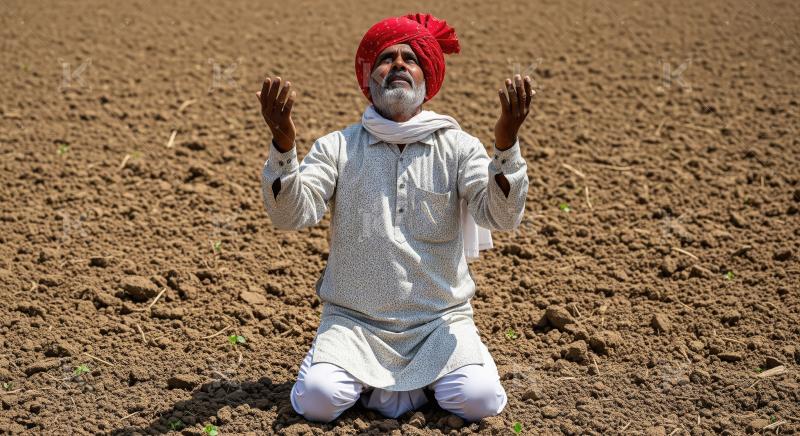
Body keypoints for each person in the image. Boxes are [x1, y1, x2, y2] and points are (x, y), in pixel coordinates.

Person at [256, 12, 533, 424]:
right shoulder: (339, 147)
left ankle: (396, 388)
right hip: (355, 322)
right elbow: (290, 214)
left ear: (427, 80)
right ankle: (397, 387)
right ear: (370, 79)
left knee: (481, 401)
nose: (399, 64)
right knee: (316, 400)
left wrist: (506, 144)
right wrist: (283, 145)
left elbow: (501, 215)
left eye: (411, 58)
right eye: (387, 58)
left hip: (437, 324)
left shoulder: (458, 148)